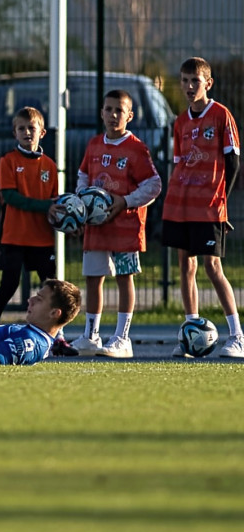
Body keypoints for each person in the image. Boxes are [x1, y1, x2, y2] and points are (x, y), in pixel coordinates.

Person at [70, 90, 162, 359]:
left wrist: (126, 201)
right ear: (101, 113)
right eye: (108, 109)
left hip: (125, 227)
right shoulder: (94, 145)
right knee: (93, 278)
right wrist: (81, 203)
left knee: (124, 278)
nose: (113, 115)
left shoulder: (136, 149)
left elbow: (154, 184)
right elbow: (83, 175)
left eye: (119, 110)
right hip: (96, 226)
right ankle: (91, 336)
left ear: (129, 116)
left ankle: (122, 338)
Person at [162, 57, 244, 358]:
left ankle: (237, 336)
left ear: (208, 83)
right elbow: (179, 165)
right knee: (186, 266)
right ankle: (190, 333)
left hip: (209, 206)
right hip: (181, 206)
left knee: (212, 266)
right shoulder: (180, 122)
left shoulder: (221, 115)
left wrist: (222, 200)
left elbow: (233, 161)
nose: (189, 86)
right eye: (184, 81)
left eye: (195, 81)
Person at [0, 107, 76, 355]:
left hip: (42, 238)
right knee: (9, 284)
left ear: (42, 132)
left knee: (53, 288)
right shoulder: (8, 161)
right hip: (14, 236)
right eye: (21, 128)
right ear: (14, 132)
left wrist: (70, 222)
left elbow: (56, 204)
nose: (27, 132)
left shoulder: (50, 166)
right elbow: (11, 197)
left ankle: (58, 338)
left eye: (31, 128)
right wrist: (45, 206)